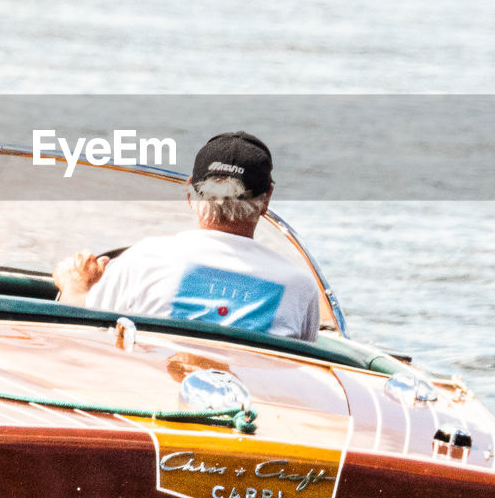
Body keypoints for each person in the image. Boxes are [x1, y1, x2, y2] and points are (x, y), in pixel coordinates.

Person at [52, 131, 321, 342]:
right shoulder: (299, 287)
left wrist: (75, 286)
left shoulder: (146, 259)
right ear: (266, 199)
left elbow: (80, 333)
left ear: (191, 193)